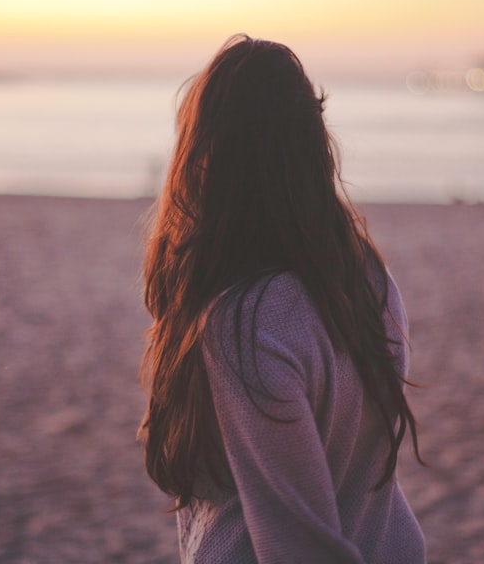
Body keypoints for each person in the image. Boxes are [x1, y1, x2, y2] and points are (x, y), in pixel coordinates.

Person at [138, 35, 426, 563]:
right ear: (312, 145)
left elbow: (299, 548)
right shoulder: (364, 274)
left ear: (208, 157)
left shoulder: (244, 326)